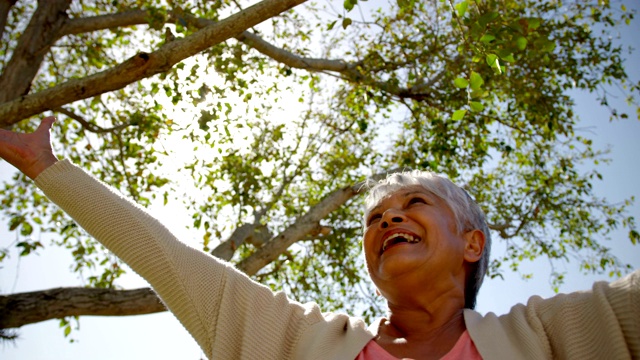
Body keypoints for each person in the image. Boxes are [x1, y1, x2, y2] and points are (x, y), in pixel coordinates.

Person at [1, 117, 639, 360]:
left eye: (413, 205)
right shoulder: (292, 341)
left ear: (472, 244)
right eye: (373, 220)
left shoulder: (568, 332)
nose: (387, 220)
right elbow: (173, 262)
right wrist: (48, 170)